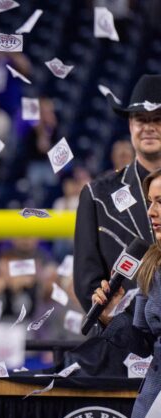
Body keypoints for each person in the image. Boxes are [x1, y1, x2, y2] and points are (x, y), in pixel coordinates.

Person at [71, 75, 161, 374]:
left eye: (158, 118)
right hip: (119, 351)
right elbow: (87, 282)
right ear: (129, 125)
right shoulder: (97, 195)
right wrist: (127, 326)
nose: (148, 126)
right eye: (140, 118)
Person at [96, 168, 161, 418]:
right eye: (150, 202)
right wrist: (110, 317)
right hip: (154, 396)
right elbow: (143, 343)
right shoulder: (152, 265)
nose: (151, 211)